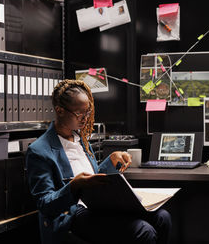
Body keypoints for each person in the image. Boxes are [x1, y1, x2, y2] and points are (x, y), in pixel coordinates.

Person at [26, 79, 172, 244]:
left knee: (162, 217)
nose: (85, 119)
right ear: (60, 111)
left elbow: (93, 177)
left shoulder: (81, 140)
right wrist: (74, 186)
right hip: (72, 213)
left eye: (87, 112)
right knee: (142, 230)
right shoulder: (39, 150)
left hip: (96, 205)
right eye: (79, 113)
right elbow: (44, 204)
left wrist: (111, 161)